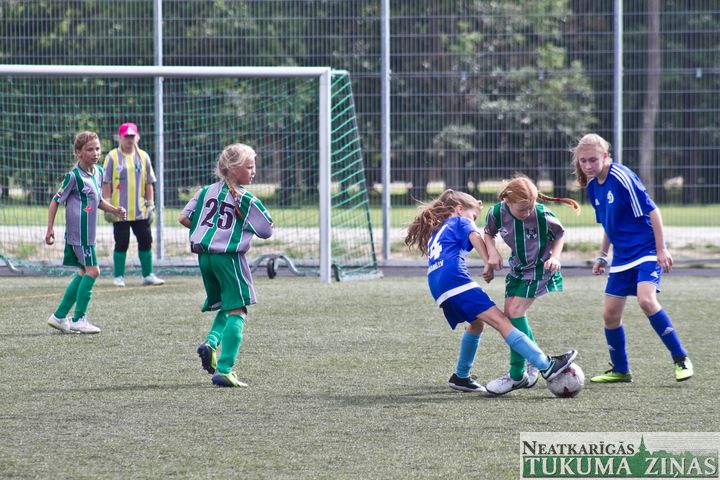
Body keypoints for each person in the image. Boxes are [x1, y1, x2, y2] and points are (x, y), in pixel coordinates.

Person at [404, 189, 577, 395]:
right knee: (503, 322)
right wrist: (488, 261)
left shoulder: (441, 228)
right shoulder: (460, 220)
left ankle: (461, 376)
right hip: (455, 281)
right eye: (473, 216)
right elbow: (475, 236)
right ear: (459, 209)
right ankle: (546, 365)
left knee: (476, 324)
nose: (473, 221)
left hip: (437, 285)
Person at [571, 133, 693, 383]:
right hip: (622, 257)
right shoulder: (593, 187)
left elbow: (653, 211)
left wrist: (661, 249)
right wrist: (602, 255)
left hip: (646, 250)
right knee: (610, 315)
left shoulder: (621, 177)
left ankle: (681, 358)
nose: (588, 166)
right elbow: (610, 224)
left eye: (593, 160)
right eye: (583, 161)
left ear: (605, 156)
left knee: (646, 300)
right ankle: (620, 370)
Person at [179, 143, 273, 388]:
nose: (254, 171)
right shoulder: (246, 198)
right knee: (238, 310)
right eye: (249, 167)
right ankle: (225, 369)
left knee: (228, 304)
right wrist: (235, 228)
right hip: (228, 258)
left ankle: (211, 343)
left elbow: (184, 217)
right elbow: (266, 230)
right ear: (232, 169)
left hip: (205, 257)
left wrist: (208, 231)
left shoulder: (205, 191)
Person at [481, 175, 581, 395]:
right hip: (517, 269)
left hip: (540, 269)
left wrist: (555, 257)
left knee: (515, 312)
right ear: (507, 201)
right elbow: (488, 233)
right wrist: (492, 251)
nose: (527, 213)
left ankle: (517, 374)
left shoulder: (542, 214)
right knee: (510, 318)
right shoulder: (497, 212)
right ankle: (534, 361)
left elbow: (560, 234)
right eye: (522, 210)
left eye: (530, 207)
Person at [46, 131, 127, 334]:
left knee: (84, 271)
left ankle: (59, 316)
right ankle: (79, 319)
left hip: (89, 235)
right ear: (78, 152)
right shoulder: (73, 177)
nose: (95, 153)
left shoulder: (98, 172)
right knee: (93, 271)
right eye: (90, 149)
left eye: (97, 148)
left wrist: (115, 210)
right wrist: (50, 228)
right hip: (79, 235)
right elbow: (56, 201)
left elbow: (97, 201)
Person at [102, 122, 164, 287]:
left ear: (137, 137)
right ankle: (119, 277)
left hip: (140, 210)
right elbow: (106, 182)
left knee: (146, 240)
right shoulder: (112, 157)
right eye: (126, 136)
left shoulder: (143, 156)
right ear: (119, 138)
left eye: (132, 136)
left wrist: (150, 204)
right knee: (122, 242)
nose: (129, 140)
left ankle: (148, 275)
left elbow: (149, 182)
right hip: (119, 211)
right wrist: (107, 205)